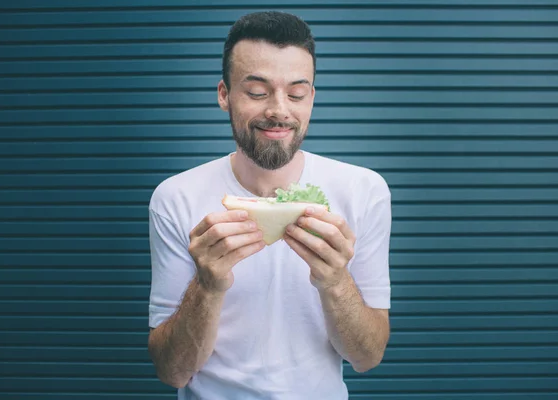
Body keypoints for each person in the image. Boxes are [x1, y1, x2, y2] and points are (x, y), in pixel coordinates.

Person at [147, 10, 392, 400]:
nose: (279, 110)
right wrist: (208, 285)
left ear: (312, 97)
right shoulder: (175, 197)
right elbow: (172, 372)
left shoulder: (364, 190)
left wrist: (334, 281)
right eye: (258, 92)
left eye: (296, 93)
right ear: (224, 94)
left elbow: (367, 357)